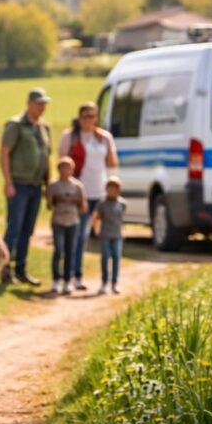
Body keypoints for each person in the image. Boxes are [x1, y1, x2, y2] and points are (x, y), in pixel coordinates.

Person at [57, 101, 118, 290]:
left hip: (99, 192)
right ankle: (75, 275)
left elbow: (112, 162)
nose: (89, 120)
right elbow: (61, 162)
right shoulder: (70, 137)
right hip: (79, 193)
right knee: (79, 236)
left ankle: (105, 278)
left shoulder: (104, 137)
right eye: (86, 116)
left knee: (99, 236)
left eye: (93, 116)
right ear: (80, 118)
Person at [0, 87, 52, 286]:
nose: (42, 107)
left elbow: (47, 157)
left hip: (36, 185)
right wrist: (8, 182)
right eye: (39, 103)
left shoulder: (44, 128)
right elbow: (4, 153)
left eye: (44, 104)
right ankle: (6, 270)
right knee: (14, 227)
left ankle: (21, 269)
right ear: (29, 103)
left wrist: (48, 185)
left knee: (28, 230)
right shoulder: (15, 125)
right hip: (19, 185)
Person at [46, 156, 87, 295]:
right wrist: (57, 199)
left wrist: (74, 200)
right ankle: (56, 279)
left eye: (68, 167)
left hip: (73, 221)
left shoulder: (78, 186)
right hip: (58, 220)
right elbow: (48, 205)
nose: (65, 170)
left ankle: (67, 280)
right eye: (63, 167)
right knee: (58, 250)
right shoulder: (53, 186)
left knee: (70, 251)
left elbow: (83, 207)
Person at [92, 176, 127, 294]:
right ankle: (104, 282)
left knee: (116, 258)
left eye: (114, 188)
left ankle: (115, 282)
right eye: (110, 187)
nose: (112, 190)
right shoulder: (102, 203)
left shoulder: (122, 203)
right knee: (105, 257)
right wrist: (95, 229)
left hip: (117, 235)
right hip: (105, 234)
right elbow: (96, 217)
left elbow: (122, 219)